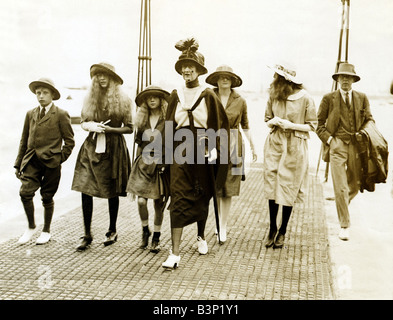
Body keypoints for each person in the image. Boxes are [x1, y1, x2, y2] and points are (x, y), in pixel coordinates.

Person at [162, 38, 229, 269]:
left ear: (199, 70)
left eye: (191, 66)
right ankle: (175, 253)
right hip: (180, 150)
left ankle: (201, 236)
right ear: (180, 70)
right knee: (178, 196)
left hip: (202, 148)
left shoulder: (209, 95)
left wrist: (214, 150)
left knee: (202, 194)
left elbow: (219, 125)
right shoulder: (175, 94)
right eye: (183, 66)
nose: (187, 70)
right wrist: (164, 156)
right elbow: (169, 125)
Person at [72, 62, 133, 251]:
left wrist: (110, 129)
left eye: (105, 75)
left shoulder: (123, 99)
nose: (101, 78)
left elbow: (130, 128)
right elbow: (83, 121)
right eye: (98, 75)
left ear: (113, 79)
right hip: (91, 146)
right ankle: (87, 233)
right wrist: (90, 125)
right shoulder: (90, 98)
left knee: (111, 188)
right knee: (84, 186)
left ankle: (112, 230)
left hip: (113, 147)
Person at [317, 62, 374, 241]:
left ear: (353, 80)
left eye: (348, 78)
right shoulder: (328, 98)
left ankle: (342, 202)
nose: (345, 81)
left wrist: (365, 133)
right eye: (342, 77)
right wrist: (330, 141)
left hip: (356, 147)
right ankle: (344, 225)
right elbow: (318, 126)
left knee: (356, 184)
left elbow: (369, 120)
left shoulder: (362, 98)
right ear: (337, 79)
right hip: (337, 145)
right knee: (340, 186)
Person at [15, 77, 75, 245]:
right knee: (25, 193)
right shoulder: (31, 113)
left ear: (53, 95)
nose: (41, 96)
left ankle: (46, 230)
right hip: (31, 161)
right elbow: (24, 139)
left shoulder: (61, 114)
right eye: (38, 93)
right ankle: (31, 226)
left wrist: (59, 158)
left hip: (51, 163)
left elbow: (69, 141)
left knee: (47, 197)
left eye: (45, 93)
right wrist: (18, 163)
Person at [263, 63, 317, 249]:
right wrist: (274, 122)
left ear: (288, 81)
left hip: (295, 145)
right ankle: (272, 228)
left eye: (278, 78)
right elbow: (267, 119)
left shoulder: (306, 99)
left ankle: (283, 230)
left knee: (288, 187)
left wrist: (290, 125)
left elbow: (312, 126)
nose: (275, 81)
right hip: (275, 143)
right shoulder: (273, 95)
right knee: (271, 184)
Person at [206, 65, 257, 244]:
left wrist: (252, 146)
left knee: (228, 189)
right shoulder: (208, 97)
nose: (224, 80)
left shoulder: (240, 100)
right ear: (217, 80)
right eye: (221, 77)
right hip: (212, 143)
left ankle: (223, 226)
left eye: (228, 77)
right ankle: (217, 222)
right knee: (214, 188)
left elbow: (245, 124)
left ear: (233, 80)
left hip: (235, 145)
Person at [126, 85, 170, 253]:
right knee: (141, 201)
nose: (152, 99)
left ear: (161, 100)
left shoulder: (167, 121)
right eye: (148, 97)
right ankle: (145, 230)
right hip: (143, 163)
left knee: (159, 203)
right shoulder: (142, 120)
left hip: (161, 164)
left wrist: (167, 164)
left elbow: (171, 145)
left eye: (155, 97)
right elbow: (138, 144)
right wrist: (134, 165)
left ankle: (156, 236)